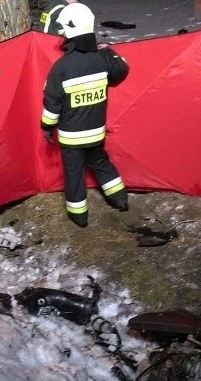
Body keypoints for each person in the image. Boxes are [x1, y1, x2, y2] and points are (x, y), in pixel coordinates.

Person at [40, 3, 129, 228]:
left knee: (74, 174)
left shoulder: (61, 68)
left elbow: (52, 105)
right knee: (100, 162)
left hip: (71, 138)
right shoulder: (103, 59)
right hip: (96, 131)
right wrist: (109, 52)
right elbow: (121, 71)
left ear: (69, 30)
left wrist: (46, 126)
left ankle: (79, 216)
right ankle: (120, 199)